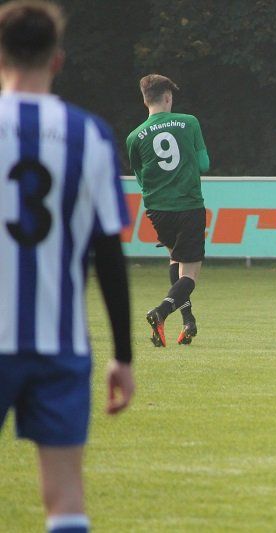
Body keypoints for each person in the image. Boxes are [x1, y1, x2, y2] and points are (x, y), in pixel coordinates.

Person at [0, 2, 134, 532]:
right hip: (60, 345)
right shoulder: (90, 134)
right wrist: (123, 355)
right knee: (66, 498)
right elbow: (109, 254)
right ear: (57, 59)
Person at [126, 74, 209, 347]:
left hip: (158, 211)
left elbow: (141, 178)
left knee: (176, 259)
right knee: (190, 274)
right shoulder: (189, 122)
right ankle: (160, 312)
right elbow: (204, 164)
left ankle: (188, 321)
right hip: (188, 205)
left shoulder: (134, 137)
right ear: (168, 97)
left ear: (144, 100)